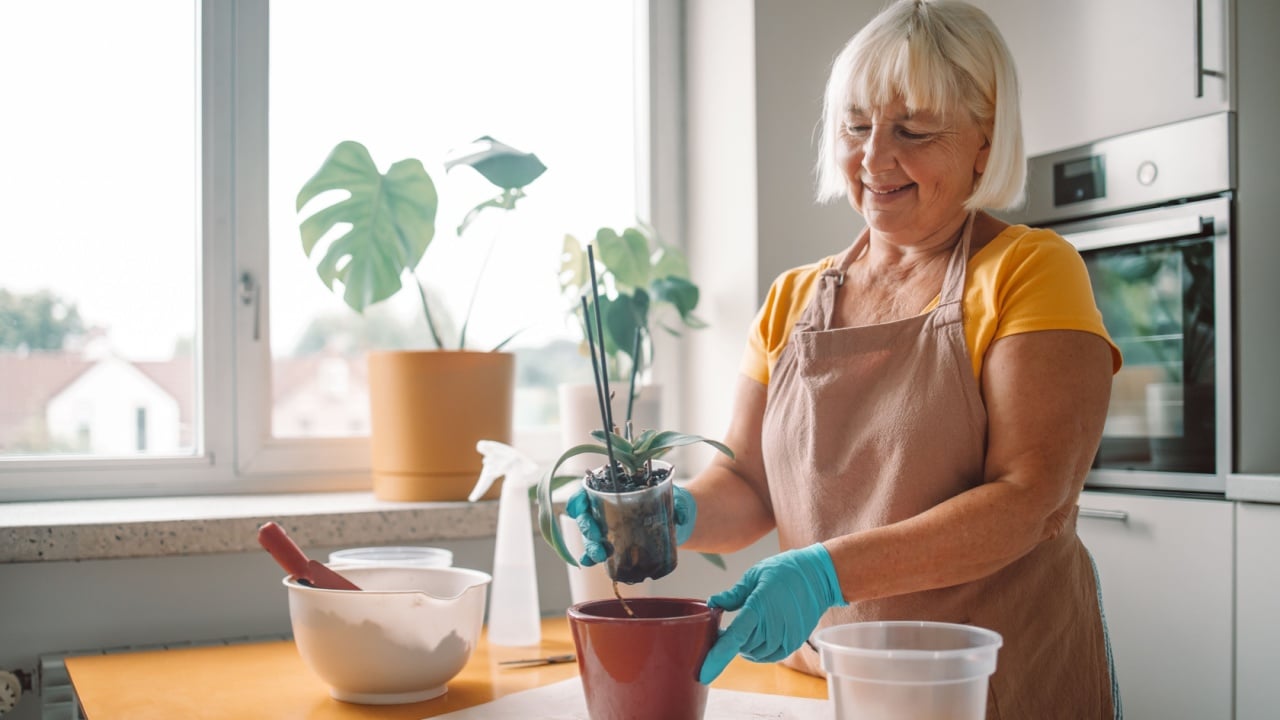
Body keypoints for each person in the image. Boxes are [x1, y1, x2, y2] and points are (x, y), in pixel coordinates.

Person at [569, 1, 1122, 717]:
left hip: (990, 689)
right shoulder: (792, 298)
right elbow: (747, 483)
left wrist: (826, 573)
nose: (873, 157)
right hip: (831, 687)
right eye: (856, 126)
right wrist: (668, 513)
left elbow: (1029, 500)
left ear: (985, 142)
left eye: (913, 130)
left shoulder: (1029, 270)